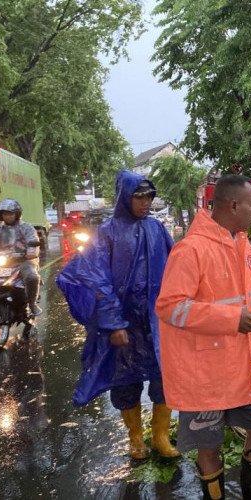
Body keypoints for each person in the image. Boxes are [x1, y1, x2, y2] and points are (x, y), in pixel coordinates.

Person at [155, 174, 251, 500]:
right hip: (203, 376)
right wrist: (229, 318)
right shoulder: (190, 250)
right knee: (209, 447)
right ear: (233, 205)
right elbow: (170, 307)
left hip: (240, 369)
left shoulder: (242, 245)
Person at [56, 170, 179, 460]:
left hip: (156, 322)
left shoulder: (157, 229)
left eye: (149, 196)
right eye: (139, 196)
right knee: (126, 382)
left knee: (165, 378)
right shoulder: (107, 233)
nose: (145, 202)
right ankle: (135, 438)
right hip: (125, 325)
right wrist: (113, 323)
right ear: (125, 197)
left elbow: (176, 269)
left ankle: (161, 435)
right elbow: (96, 278)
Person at [0, 199, 42, 316]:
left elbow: (32, 240)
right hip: (2, 262)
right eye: (4, 214)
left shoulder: (26, 227)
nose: (6, 216)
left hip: (22, 261)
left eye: (9, 214)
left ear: (17, 214)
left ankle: (32, 303)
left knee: (32, 276)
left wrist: (31, 252)